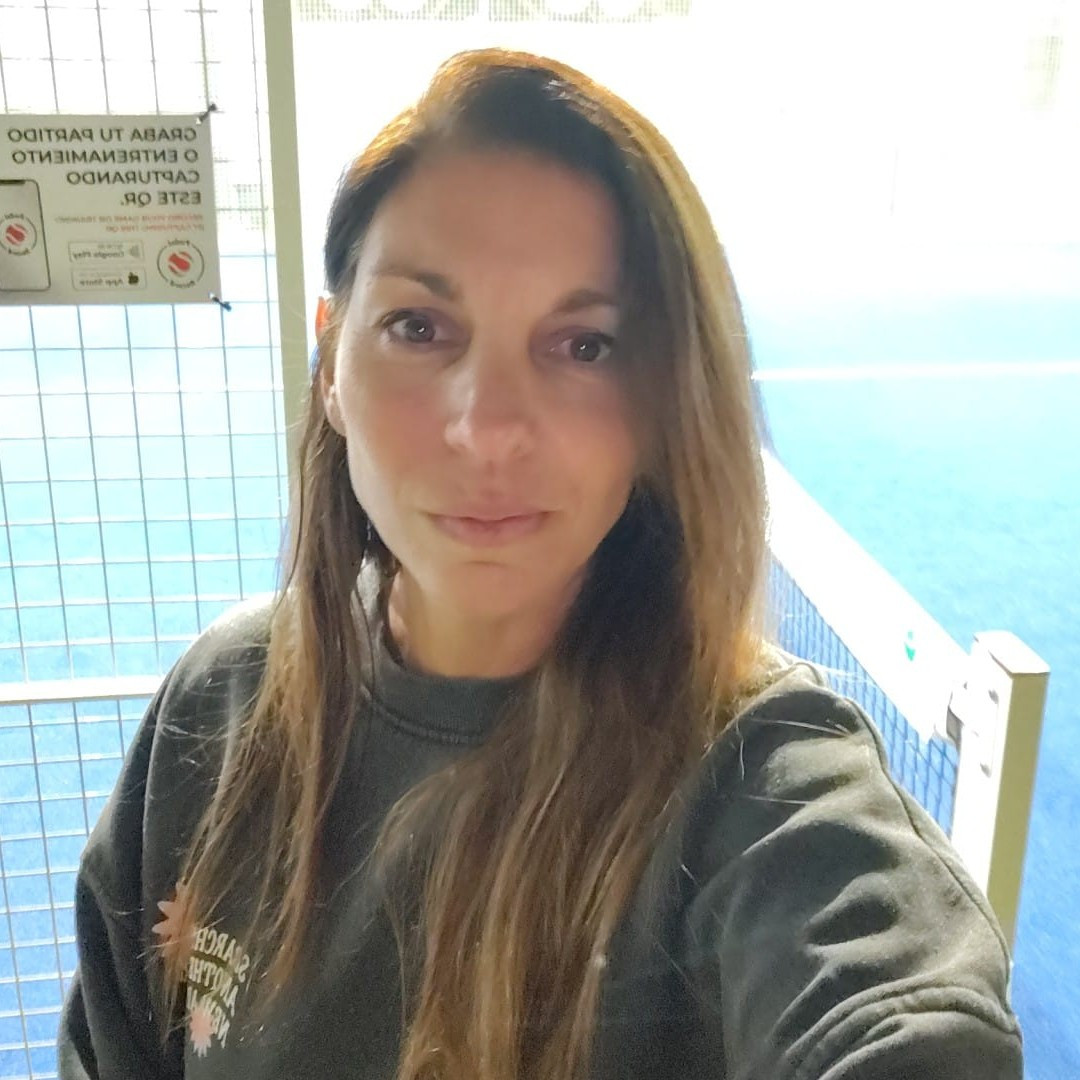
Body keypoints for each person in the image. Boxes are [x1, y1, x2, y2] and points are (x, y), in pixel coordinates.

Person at [58, 48, 1022, 1080]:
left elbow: (893, 1017)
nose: (488, 429)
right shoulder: (219, 702)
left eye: (584, 345)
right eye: (419, 327)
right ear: (332, 362)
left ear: (661, 400)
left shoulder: (757, 781)